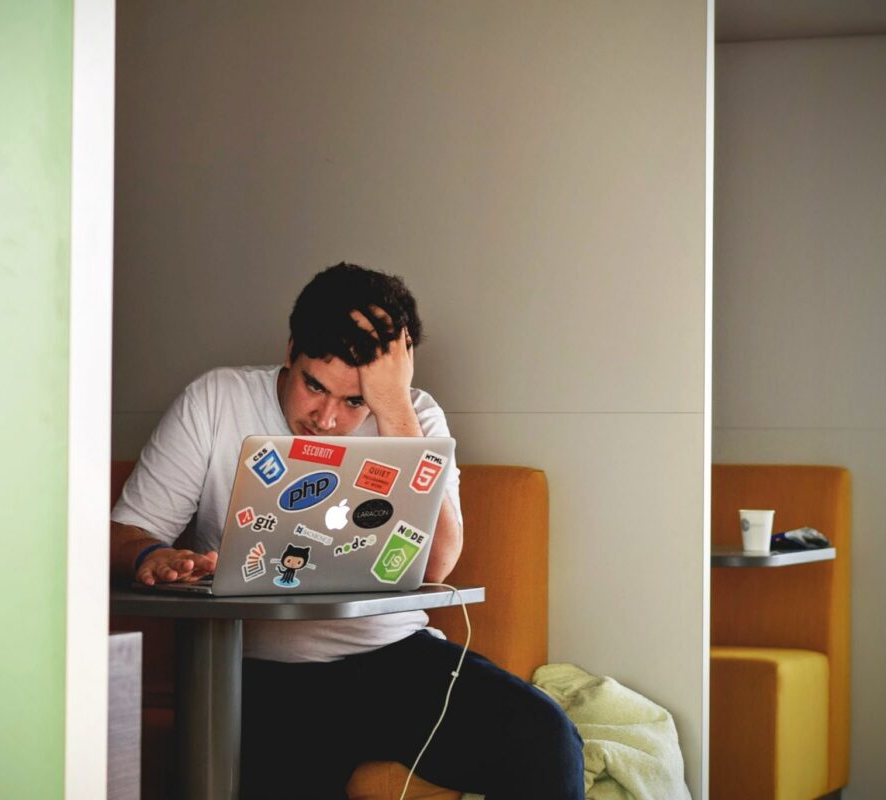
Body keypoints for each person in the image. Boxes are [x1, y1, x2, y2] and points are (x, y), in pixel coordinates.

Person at [109, 263, 584, 799]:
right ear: (291, 351)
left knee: (545, 736)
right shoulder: (215, 400)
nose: (327, 418)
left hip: (395, 658)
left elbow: (436, 565)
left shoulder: (414, 415)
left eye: (354, 400)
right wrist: (151, 555)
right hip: (261, 672)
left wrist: (393, 408)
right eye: (315, 386)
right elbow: (125, 532)